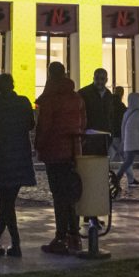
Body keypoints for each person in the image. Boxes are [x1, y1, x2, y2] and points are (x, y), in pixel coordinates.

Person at [36, 61, 86, 254]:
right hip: (73, 151)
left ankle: (60, 237)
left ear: (50, 74)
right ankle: (74, 236)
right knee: (71, 195)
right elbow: (83, 123)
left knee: (59, 195)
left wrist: (38, 145)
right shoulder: (76, 98)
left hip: (55, 151)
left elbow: (44, 126)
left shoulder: (50, 98)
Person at [0, 73, 35, 257]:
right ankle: (8, 244)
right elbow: (31, 124)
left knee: (6, 204)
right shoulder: (23, 102)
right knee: (7, 204)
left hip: (4, 156)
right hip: (21, 155)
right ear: (13, 85)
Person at [79, 67, 117, 135]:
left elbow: (111, 114)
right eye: (97, 78)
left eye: (102, 79)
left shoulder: (108, 95)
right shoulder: (84, 93)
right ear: (93, 78)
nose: (99, 81)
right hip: (89, 132)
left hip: (105, 132)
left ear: (106, 80)